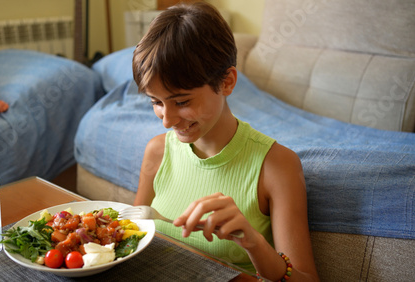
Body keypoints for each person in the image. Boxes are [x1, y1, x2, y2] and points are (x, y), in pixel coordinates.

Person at [132, 2, 319, 281]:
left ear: (227, 82)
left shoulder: (277, 165)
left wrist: (253, 242)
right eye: (156, 102)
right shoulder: (157, 152)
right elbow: (133, 236)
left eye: (181, 101)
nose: (167, 121)